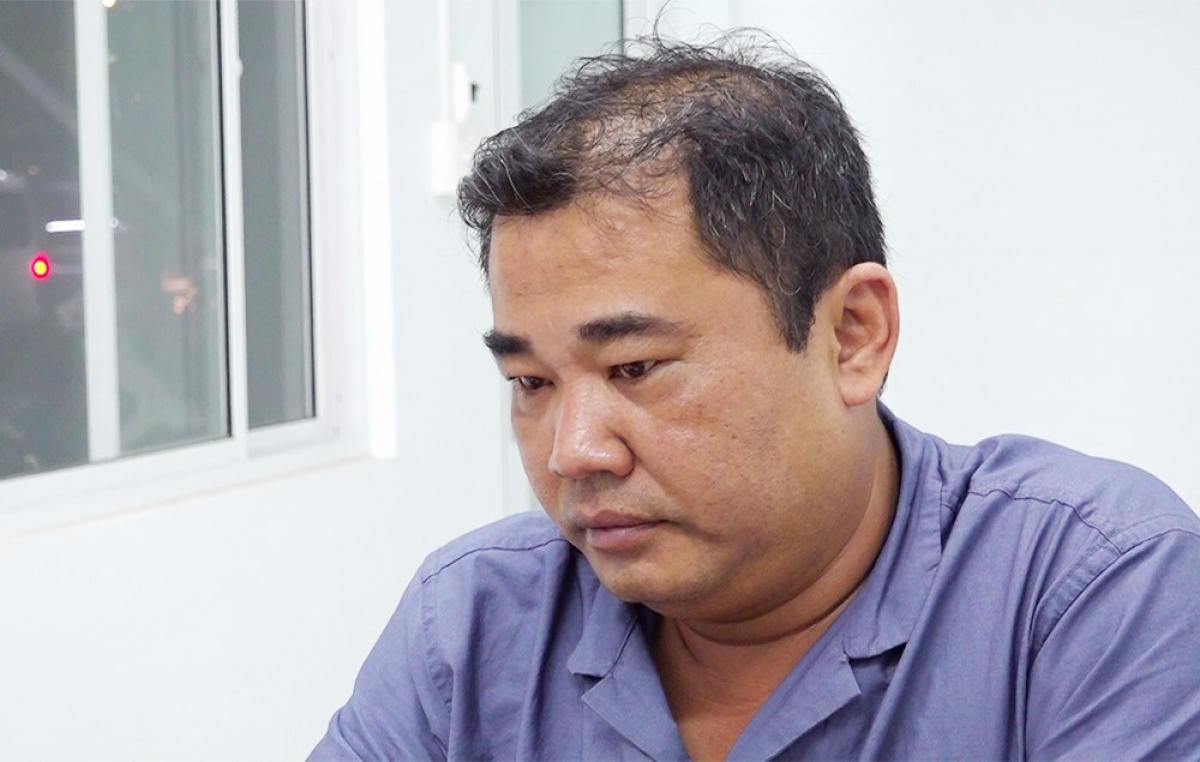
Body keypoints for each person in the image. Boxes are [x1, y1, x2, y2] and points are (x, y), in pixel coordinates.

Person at [311, 35, 1200, 761]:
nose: (572, 451)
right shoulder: (471, 625)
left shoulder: (1090, 588)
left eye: (636, 368)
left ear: (852, 335)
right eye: (531, 384)